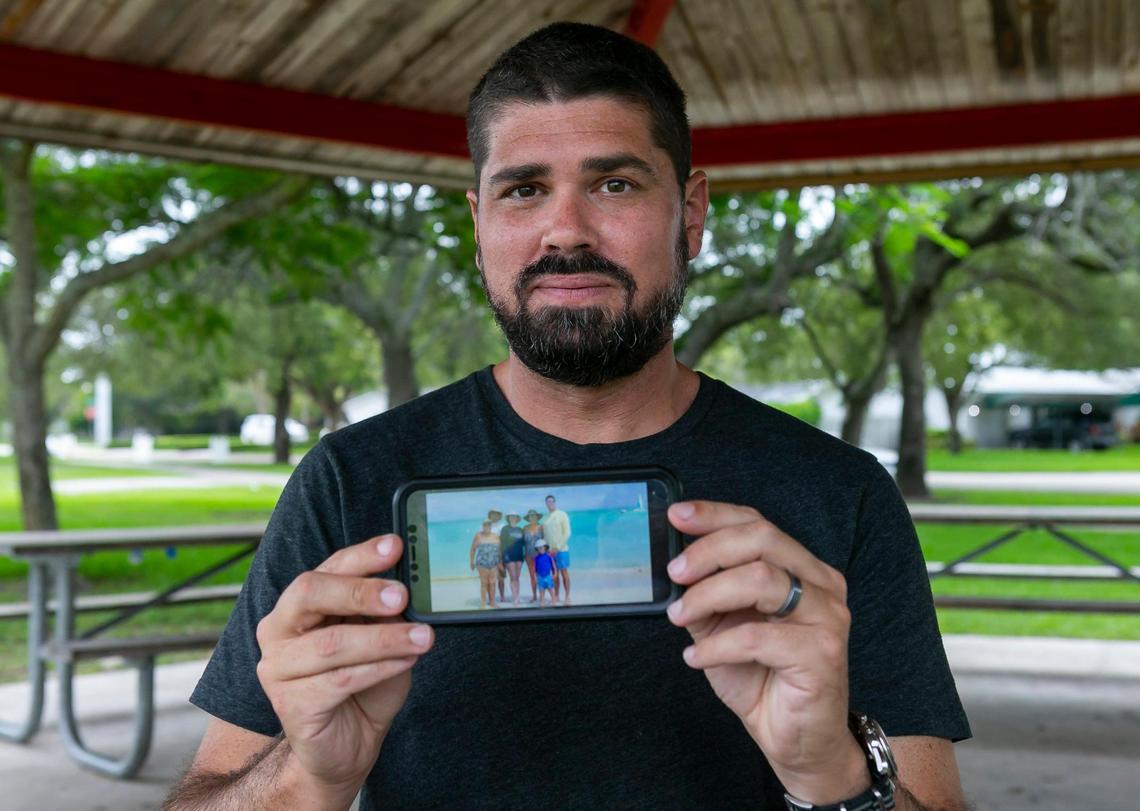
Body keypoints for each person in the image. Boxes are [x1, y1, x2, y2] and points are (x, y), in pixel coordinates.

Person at [167, 21, 970, 811]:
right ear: (479, 224)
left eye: (614, 184)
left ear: (690, 214)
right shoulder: (348, 482)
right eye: (524, 189)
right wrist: (311, 778)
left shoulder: (839, 491)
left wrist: (828, 770)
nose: (566, 232)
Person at [542, 494, 572, 604]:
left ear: (555, 502)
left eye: (551, 501)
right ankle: (557, 595)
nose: (550, 503)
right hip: (550, 552)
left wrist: (557, 547)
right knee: (555, 575)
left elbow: (567, 533)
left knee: (564, 573)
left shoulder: (562, 514)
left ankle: (567, 596)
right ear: (546, 504)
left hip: (562, 550)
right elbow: (545, 537)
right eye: (547, 502)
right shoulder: (546, 518)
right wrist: (546, 550)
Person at [469, 520, 501, 609]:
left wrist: (500, 562)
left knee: (493, 583)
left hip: (494, 563)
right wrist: (471, 562)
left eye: (489, 525)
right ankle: (483, 603)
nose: (487, 526)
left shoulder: (495, 536)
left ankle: (492, 602)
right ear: (482, 526)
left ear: (491, 526)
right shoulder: (478, 535)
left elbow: (499, 551)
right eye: (485, 525)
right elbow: (472, 549)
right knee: (484, 583)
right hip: (482, 563)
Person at [499, 510, 526, 605]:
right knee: (513, 577)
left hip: (519, 556)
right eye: (511, 516)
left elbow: (523, 544)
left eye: (515, 516)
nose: (513, 518)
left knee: (517, 578)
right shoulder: (505, 529)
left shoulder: (520, 529)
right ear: (508, 518)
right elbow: (502, 544)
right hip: (508, 556)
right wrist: (502, 559)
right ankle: (515, 598)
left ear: (517, 518)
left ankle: (517, 596)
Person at [521, 508, 544, 603]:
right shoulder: (525, 528)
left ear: (537, 517)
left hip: (539, 555)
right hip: (528, 555)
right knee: (532, 576)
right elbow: (521, 543)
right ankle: (534, 596)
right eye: (530, 516)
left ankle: (542, 596)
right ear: (528, 518)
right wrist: (522, 554)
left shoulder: (541, 527)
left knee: (540, 575)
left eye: (534, 516)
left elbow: (545, 541)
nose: (532, 518)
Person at [532, 538, 558, 607]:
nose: (541, 549)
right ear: (537, 549)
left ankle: (553, 600)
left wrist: (555, 573)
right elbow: (534, 568)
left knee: (551, 589)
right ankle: (542, 602)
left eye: (542, 547)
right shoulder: (536, 558)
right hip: (540, 576)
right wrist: (534, 576)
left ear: (545, 547)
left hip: (548, 576)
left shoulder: (549, 556)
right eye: (539, 548)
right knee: (541, 590)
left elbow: (553, 565)